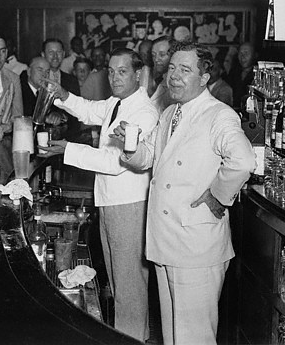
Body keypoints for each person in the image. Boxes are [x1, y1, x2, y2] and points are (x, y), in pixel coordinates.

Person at [114, 41, 256, 345]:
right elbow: (150, 157)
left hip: (195, 247)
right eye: (172, 68)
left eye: (185, 69)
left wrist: (217, 197)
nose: (174, 76)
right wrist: (130, 147)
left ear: (204, 77)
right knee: (174, 336)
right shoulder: (169, 113)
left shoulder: (219, 114)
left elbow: (244, 161)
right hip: (167, 241)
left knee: (194, 338)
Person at [44, 48, 159, 342]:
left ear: (137, 74)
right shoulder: (117, 103)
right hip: (112, 201)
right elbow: (90, 110)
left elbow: (116, 161)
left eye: (122, 72)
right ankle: (133, 336)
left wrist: (68, 149)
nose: (114, 77)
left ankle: (131, 338)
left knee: (129, 284)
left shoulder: (143, 112)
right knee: (120, 281)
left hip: (129, 204)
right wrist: (62, 95)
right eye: (110, 70)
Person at [42, 38, 81, 134]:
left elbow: (77, 111)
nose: (55, 56)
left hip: (66, 135)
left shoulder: (72, 80)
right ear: (43, 55)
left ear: (63, 54)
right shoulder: (37, 79)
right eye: (51, 52)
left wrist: (62, 116)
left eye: (58, 52)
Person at [226, 42, 257, 112]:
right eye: (240, 53)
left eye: (246, 53)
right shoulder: (234, 72)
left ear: (255, 55)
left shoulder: (259, 75)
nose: (243, 57)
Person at [149, 36, 173, 113]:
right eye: (153, 55)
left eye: (162, 55)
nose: (156, 59)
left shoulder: (175, 86)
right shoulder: (163, 82)